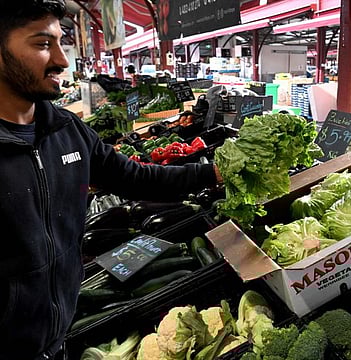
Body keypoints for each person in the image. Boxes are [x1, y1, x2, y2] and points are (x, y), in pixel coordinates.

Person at [0, 1, 222, 359]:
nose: (62, 60)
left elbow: (135, 178)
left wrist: (211, 172)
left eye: (60, 42)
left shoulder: (67, 130)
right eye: (42, 45)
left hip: (59, 337)